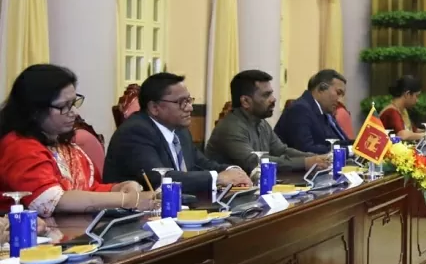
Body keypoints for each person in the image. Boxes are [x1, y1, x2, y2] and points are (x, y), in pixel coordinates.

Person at [0, 65, 153, 216]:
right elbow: (53, 201)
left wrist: (119, 188)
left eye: (73, 103)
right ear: (34, 110)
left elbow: (85, 190)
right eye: (63, 106)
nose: (74, 112)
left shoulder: (61, 142)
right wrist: (126, 200)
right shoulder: (20, 146)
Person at [103, 72, 250, 196]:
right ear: (154, 107)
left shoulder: (180, 130)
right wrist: (217, 178)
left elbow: (201, 164)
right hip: (136, 218)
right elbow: (160, 179)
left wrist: (232, 171)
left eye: (189, 100)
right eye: (182, 102)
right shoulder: (135, 132)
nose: (190, 108)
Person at [205, 70, 330, 174]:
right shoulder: (231, 128)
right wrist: (304, 163)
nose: (273, 99)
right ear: (246, 101)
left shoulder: (261, 123)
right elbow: (253, 162)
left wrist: (313, 157)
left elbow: (281, 150)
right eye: (266, 95)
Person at [275, 69, 352, 154]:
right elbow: (306, 150)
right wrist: (350, 151)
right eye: (338, 93)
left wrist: (357, 145)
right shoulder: (299, 109)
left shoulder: (323, 112)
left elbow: (335, 142)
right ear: (321, 88)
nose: (340, 99)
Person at [380, 76, 426, 142]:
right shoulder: (391, 111)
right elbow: (403, 135)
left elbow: (413, 131)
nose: (417, 100)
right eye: (416, 96)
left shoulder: (403, 110)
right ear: (407, 94)